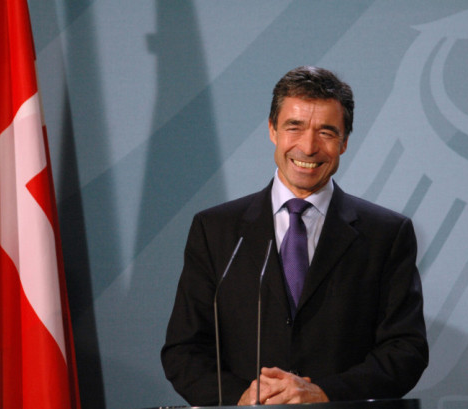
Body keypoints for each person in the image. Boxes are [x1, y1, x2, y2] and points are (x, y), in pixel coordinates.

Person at [161, 66, 428, 406]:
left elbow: (406, 350)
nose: (308, 146)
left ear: (344, 142)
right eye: (294, 127)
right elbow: (183, 350)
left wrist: (325, 394)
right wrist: (240, 398)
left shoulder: (386, 234)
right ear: (272, 130)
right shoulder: (216, 230)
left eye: (326, 132)